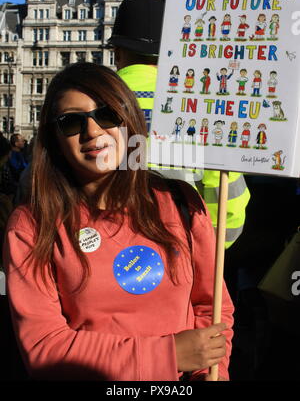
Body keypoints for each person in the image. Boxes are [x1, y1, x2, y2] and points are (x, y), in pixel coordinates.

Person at [3, 62, 234, 381]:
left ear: (129, 120)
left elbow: (213, 310)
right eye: (71, 122)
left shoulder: (182, 203)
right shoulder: (31, 226)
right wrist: (167, 355)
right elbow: (45, 348)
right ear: (54, 139)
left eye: (107, 113)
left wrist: (213, 372)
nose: (93, 131)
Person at [108, 0, 250, 250]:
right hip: (180, 253)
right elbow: (230, 198)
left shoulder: (88, 101)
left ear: (117, 53)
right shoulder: (202, 108)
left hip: (103, 257)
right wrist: (205, 251)